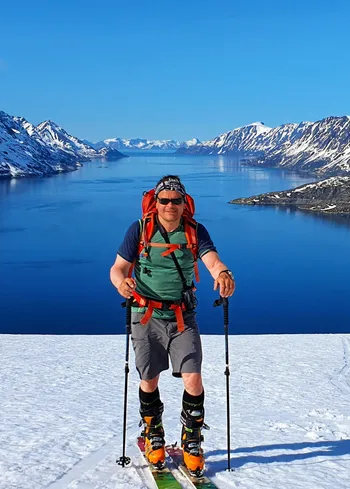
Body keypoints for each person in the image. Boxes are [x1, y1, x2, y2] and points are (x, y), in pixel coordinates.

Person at [109, 175, 235, 476]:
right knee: (149, 379)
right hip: (145, 314)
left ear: (184, 203)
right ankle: (154, 435)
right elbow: (118, 268)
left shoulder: (194, 231)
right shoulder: (139, 229)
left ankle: (192, 440)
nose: (169, 205)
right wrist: (121, 284)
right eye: (164, 200)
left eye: (175, 200)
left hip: (182, 317)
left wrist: (223, 272)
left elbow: (212, 260)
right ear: (156, 202)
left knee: (193, 379)